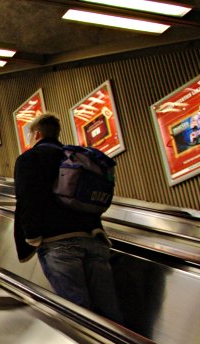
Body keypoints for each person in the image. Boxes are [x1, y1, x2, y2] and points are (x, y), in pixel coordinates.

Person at [13, 113, 122, 323]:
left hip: (59, 243)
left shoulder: (30, 159)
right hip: (95, 239)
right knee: (110, 315)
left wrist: (32, 236)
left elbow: (27, 198)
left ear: (37, 134)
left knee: (78, 315)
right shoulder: (77, 157)